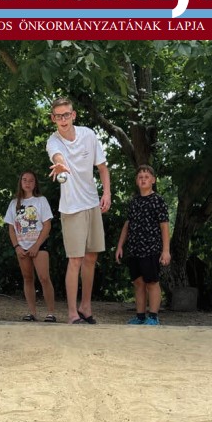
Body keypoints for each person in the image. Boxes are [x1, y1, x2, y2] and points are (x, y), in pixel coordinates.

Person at [46, 97, 111, 324]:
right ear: (53, 119)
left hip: (92, 202)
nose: (63, 119)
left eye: (66, 114)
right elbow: (57, 156)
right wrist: (60, 164)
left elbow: (102, 168)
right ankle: (73, 313)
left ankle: (86, 307)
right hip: (72, 207)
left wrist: (106, 193)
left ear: (73, 115)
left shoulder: (88, 135)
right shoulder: (53, 141)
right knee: (75, 259)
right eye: (58, 116)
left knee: (91, 257)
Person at [115, 165, 171, 325]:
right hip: (134, 249)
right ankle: (140, 316)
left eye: (146, 177)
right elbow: (127, 225)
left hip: (151, 249)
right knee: (138, 283)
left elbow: (164, 226)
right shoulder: (134, 201)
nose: (143, 179)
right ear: (136, 181)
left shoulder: (158, 200)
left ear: (153, 180)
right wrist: (120, 246)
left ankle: (153, 317)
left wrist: (166, 250)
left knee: (152, 282)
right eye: (140, 177)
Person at [4, 170, 56, 322]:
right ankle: (32, 313)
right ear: (20, 182)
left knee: (44, 277)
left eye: (31, 180)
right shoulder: (14, 203)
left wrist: (36, 245)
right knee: (27, 278)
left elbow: (47, 225)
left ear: (35, 183)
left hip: (38, 245)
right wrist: (17, 247)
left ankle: (50, 313)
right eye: (25, 180)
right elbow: (11, 228)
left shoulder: (41, 201)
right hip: (22, 246)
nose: (28, 183)